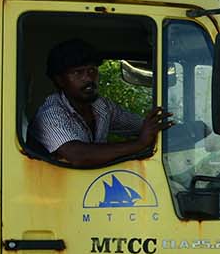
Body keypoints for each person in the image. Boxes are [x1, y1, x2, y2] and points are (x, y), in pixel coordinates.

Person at [29, 37, 172, 165]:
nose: (88, 78)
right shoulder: (50, 114)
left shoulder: (102, 106)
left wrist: (170, 128)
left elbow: (143, 127)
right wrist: (139, 144)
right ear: (60, 80)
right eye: (78, 72)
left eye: (92, 70)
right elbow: (78, 155)